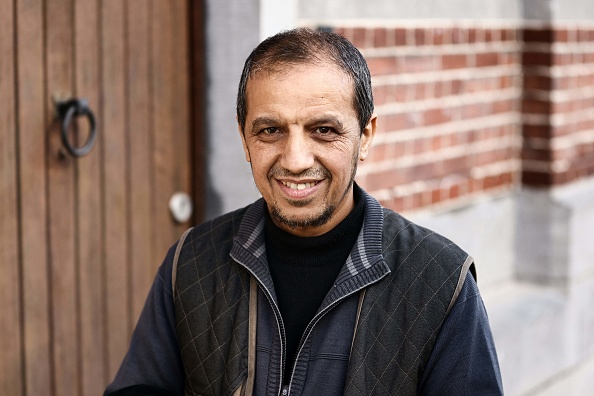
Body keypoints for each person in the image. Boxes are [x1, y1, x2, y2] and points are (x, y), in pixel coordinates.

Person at [105, 27, 503, 396]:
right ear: (244, 138)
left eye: (324, 130)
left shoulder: (440, 281)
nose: (295, 160)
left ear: (365, 136)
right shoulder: (192, 260)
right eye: (270, 131)